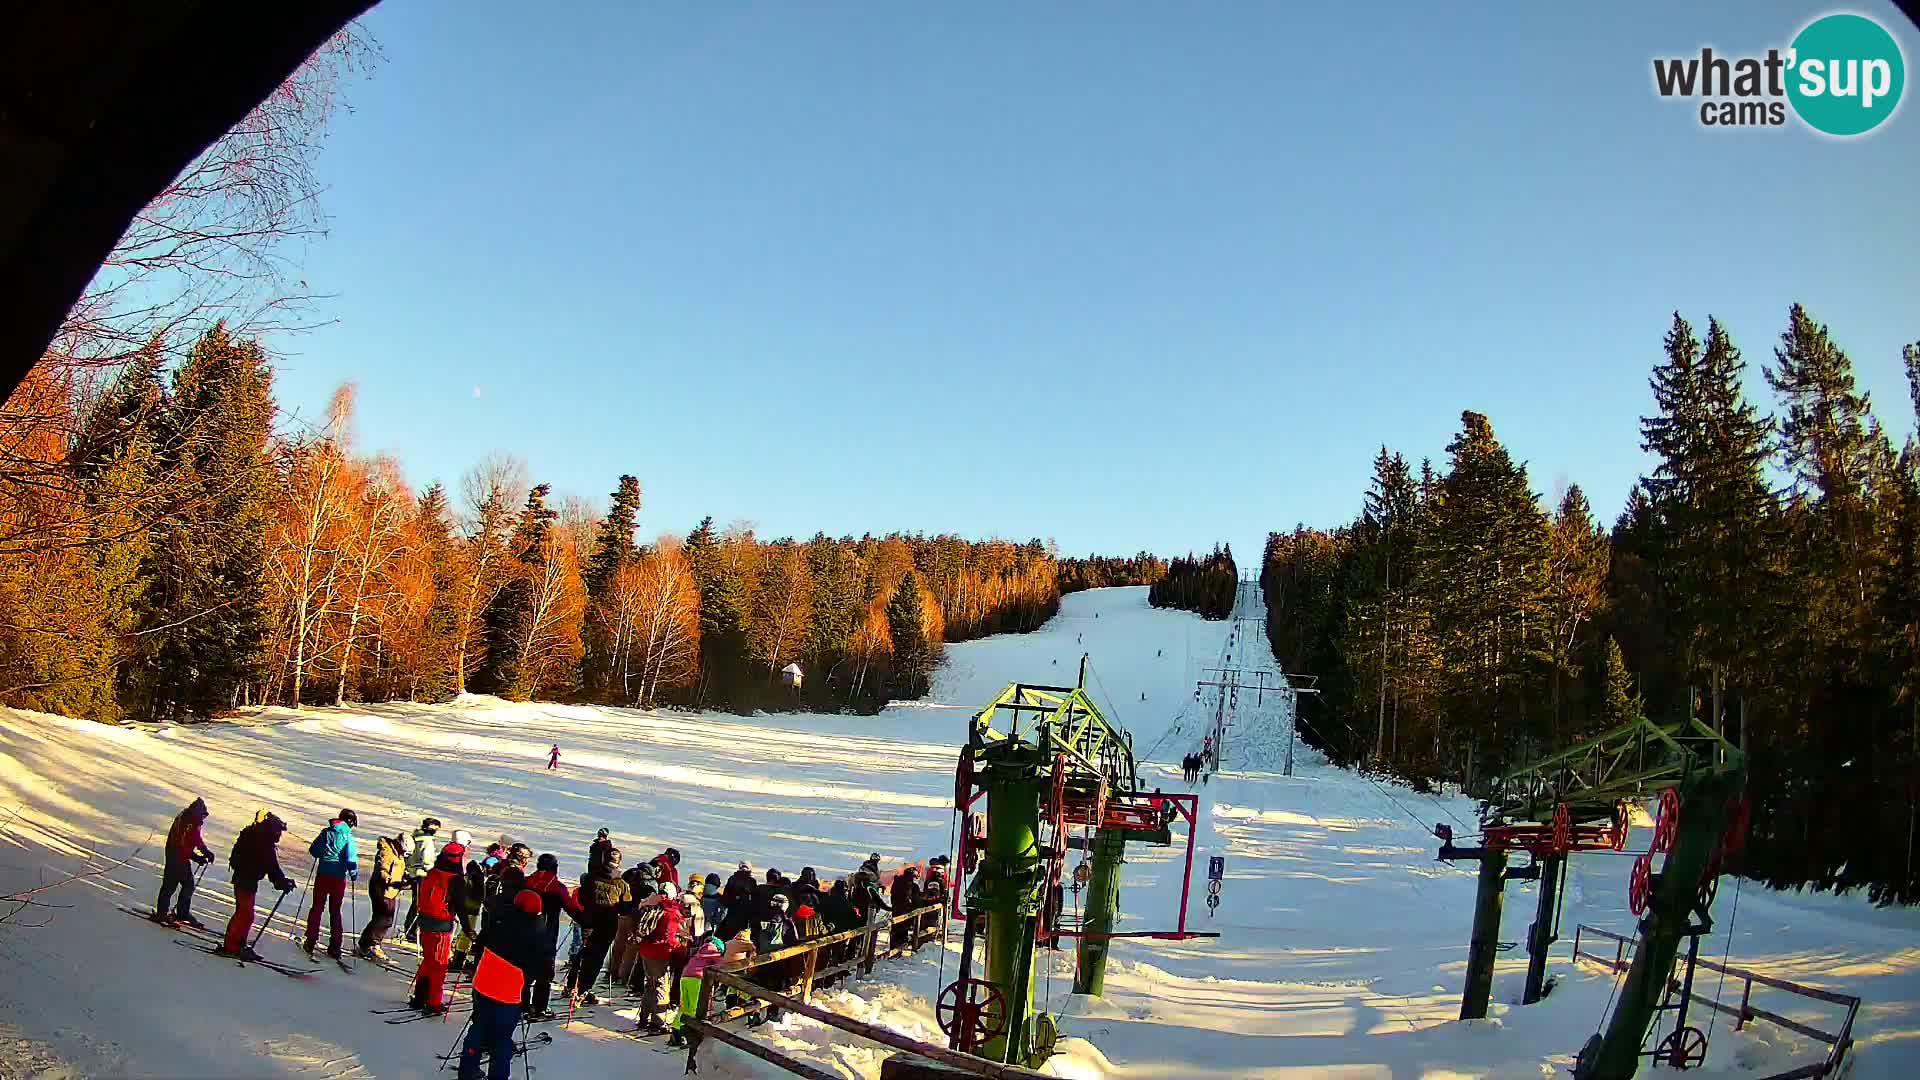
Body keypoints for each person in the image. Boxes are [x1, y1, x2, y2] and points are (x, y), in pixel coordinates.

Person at [459, 887, 544, 1080]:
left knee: (478, 1027)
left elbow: (479, 945)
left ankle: (467, 1070)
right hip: (508, 993)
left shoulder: (498, 919)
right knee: (502, 1039)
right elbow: (539, 969)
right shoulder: (537, 933)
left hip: (483, 984)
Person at [410, 840, 476, 1014]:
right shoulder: (455, 880)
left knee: (428, 960)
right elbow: (461, 908)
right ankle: (434, 1002)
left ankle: (419, 997)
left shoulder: (433, 872)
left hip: (424, 922)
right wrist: (468, 930)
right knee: (439, 964)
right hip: (441, 925)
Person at [221, 812, 296, 959]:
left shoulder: (258, 837)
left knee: (245, 914)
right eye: (279, 832)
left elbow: (271, 868)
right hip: (246, 880)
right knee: (245, 914)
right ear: (272, 830)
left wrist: (282, 882)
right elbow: (272, 868)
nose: (279, 836)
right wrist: (282, 883)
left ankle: (237, 942)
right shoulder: (263, 843)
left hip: (246, 879)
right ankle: (232, 946)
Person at [521, 853, 585, 1021]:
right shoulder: (557, 887)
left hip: (525, 933)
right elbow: (572, 909)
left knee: (525, 972)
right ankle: (540, 1007)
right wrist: (586, 921)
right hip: (547, 935)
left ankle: (522, 1006)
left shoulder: (526, 881)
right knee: (544, 974)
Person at [565, 845, 631, 1006]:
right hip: (606, 925)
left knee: (584, 953)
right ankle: (583, 990)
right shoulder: (621, 884)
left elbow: (581, 898)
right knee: (595, 959)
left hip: (588, 921)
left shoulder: (590, 877)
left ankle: (572, 985)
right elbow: (625, 908)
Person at [303, 808, 358, 960]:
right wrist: (353, 873)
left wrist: (325, 852)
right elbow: (351, 858)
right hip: (338, 879)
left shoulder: (326, 832)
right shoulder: (348, 837)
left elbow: (314, 850)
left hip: (323, 875)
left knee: (317, 907)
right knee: (335, 911)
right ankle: (335, 947)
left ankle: (311, 940)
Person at [630, 881, 683, 1032]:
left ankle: (643, 1018)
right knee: (661, 986)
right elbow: (668, 938)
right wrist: (679, 947)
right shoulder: (671, 913)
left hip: (645, 950)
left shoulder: (652, 905)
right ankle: (657, 1022)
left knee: (650, 984)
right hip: (659, 953)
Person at [155, 797, 214, 928]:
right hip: (175, 856)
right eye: (202, 815)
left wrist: (201, 853)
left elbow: (193, 841)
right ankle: (164, 913)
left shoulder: (191, 820)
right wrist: (199, 855)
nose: (203, 819)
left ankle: (180, 913)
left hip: (180, 857)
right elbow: (183, 843)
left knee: (186, 885)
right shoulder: (188, 822)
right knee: (171, 885)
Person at [665, 930, 725, 1051]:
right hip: (697, 980)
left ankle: (676, 1032)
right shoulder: (715, 954)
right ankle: (691, 1034)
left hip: (685, 977)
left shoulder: (699, 951)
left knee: (684, 1006)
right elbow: (722, 967)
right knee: (695, 1008)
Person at [356, 828, 408, 959]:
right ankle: (370, 944)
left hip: (391, 891)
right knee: (383, 918)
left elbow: (398, 869)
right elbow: (383, 869)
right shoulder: (387, 851)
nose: (405, 854)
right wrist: (391, 881)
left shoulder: (399, 854)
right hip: (381, 888)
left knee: (384, 919)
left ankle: (368, 943)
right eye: (405, 850)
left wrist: (405, 879)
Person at [749, 893, 799, 1023]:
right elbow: (794, 940)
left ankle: (755, 1012)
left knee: (759, 985)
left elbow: (753, 936)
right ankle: (773, 1012)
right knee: (776, 988)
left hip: (761, 959)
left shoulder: (759, 918)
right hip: (779, 961)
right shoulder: (787, 922)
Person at [609, 861, 656, 984]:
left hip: (621, 914)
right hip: (636, 916)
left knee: (618, 944)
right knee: (631, 947)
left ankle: (612, 973)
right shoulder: (649, 884)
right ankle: (624, 977)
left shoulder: (628, 875)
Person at [889, 866, 921, 947]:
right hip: (906, 910)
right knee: (902, 930)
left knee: (896, 930)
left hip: (896, 909)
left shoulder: (897, 882)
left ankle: (894, 947)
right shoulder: (911, 886)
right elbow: (916, 900)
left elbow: (892, 895)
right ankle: (899, 947)